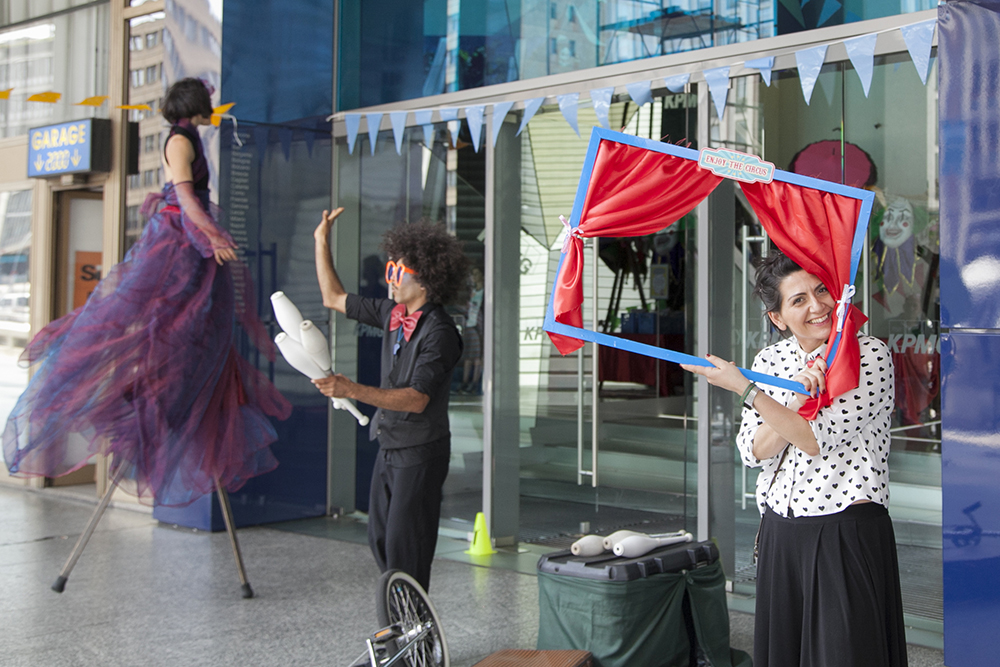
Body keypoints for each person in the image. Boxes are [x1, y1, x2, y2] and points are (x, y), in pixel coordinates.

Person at [2, 78, 291, 507]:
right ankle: (143, 405)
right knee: (168, 322)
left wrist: (209, 235)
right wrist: (212, 234)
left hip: (189, 241)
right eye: (207, 101)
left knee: (193, 328)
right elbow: (187, 199)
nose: (212, 106)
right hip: (178, 241)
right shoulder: (180, 141)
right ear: (195, 104)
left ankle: (168, 400)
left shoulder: (187, 137)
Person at [681, 250, 907, 667]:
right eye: (798, 299)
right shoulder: (771, 361)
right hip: (781, 535)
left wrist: (747, 391)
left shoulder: (868, 354)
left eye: (821, 290)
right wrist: (793, 394)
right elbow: (752, 450)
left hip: (844, 533)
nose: (818, 305)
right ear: (778, 317)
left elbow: (812, 438)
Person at [312, 208, 467, 591]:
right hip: (390, 445)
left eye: (400, 272)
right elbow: (333, 297)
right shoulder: (393, 314)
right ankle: (402, 633)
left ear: (426, 281)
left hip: (420, 451)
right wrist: (320, 241)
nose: (391, 279)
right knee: (380, 541)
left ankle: (415, 642)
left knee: (405, 549)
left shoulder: (441, 333)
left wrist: (352, 390)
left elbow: (416, 399)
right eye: (390, 269)